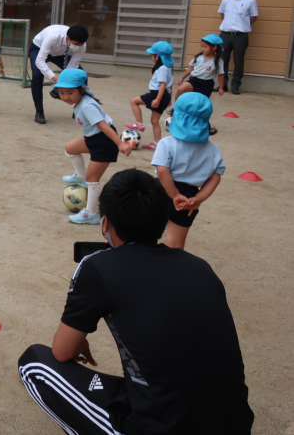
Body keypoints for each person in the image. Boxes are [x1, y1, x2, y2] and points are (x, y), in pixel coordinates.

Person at [18, 168, 253, 435]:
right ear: (162, 220)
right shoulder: (200, 267)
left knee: (34, 363)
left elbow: (62, 352)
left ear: (105, 224)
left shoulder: (97, 266)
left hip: (158, 427)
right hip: (236, 424)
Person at [56, 69, 132, 225]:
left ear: (82, 89)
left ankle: (91, 214)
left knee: (93, 179)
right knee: (70, 148)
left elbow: (104, 126)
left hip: (104, 142)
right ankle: (80, 177)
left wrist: (120, 144)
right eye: (61, 93)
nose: (65, 97)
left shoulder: (87, 106)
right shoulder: (81, 102)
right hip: (93, 139)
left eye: (70, 93)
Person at [152, 94, 225, 249]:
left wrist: (174, 195)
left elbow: (163, 171)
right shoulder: (212, 149)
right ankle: (172, 270)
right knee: (175, 244)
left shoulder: (166, 143)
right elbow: (215, 178)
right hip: (189, 197)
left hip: (160, 190)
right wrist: (198, 198)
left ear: (175, 117)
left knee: (146, 233)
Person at [29, 24, 89, 124]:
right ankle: (39, 111)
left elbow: (73, 66)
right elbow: (40, 61)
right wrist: (54, 78)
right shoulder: (52, 36)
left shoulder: (82, 46)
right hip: (39, 48)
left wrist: (63, 83)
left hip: (60, 54)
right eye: (76, 44)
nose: (78, 46)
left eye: (81, 44)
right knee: (37, 75)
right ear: (68, 38)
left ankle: (78, 110)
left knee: (81, 75)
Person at [125, 41, 174, 150]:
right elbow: (169, 86)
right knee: (154, 121)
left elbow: (162, 85)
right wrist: (169, 98)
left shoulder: (162, 69)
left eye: (152, 55)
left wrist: (158, 99)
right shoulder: (168, 67)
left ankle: (139, 124)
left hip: (156, 94)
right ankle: (157, 143)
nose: (151, 57)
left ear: (157, 57)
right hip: (164, 95)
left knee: (134, 101)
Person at [175, 34, 225, 136]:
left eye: (205, 47)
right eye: (202, 46)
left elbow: (221, 75)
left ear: (214, 47)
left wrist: (221, 87)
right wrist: (182, 77)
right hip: (194, 81)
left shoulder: (218, 61)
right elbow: (190, 68)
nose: (203, 49)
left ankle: (205, 125)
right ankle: (176, 110)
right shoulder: (198, 57)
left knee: (201, 106)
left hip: (206, 85)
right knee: (181, 89)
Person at [218, 0, 258, 95]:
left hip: (241, 36)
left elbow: (254, 17)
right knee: (222, 60)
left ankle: (235, 86)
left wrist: (242, 26)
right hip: (225, 34)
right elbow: (222, 15)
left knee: (238, 60)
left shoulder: (250, 1)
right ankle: (222, 85)